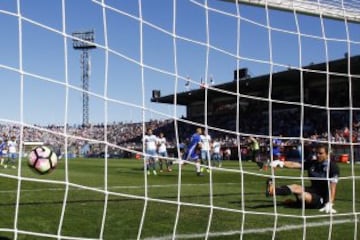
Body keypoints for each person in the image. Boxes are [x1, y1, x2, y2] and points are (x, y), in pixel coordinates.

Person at [267, 144, 340, 213]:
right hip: (313, 190)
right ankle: (273, 191)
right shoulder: (313, 163)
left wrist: (329, 203)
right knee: (295, 187)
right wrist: (281, 163)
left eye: (320, 153)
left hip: (321, 197)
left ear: (327, 154)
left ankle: (295, 203)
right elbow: (296, 164)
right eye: (317, 153)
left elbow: (332, 187)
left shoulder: (333, 167)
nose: (318, 155)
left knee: (302, 196)